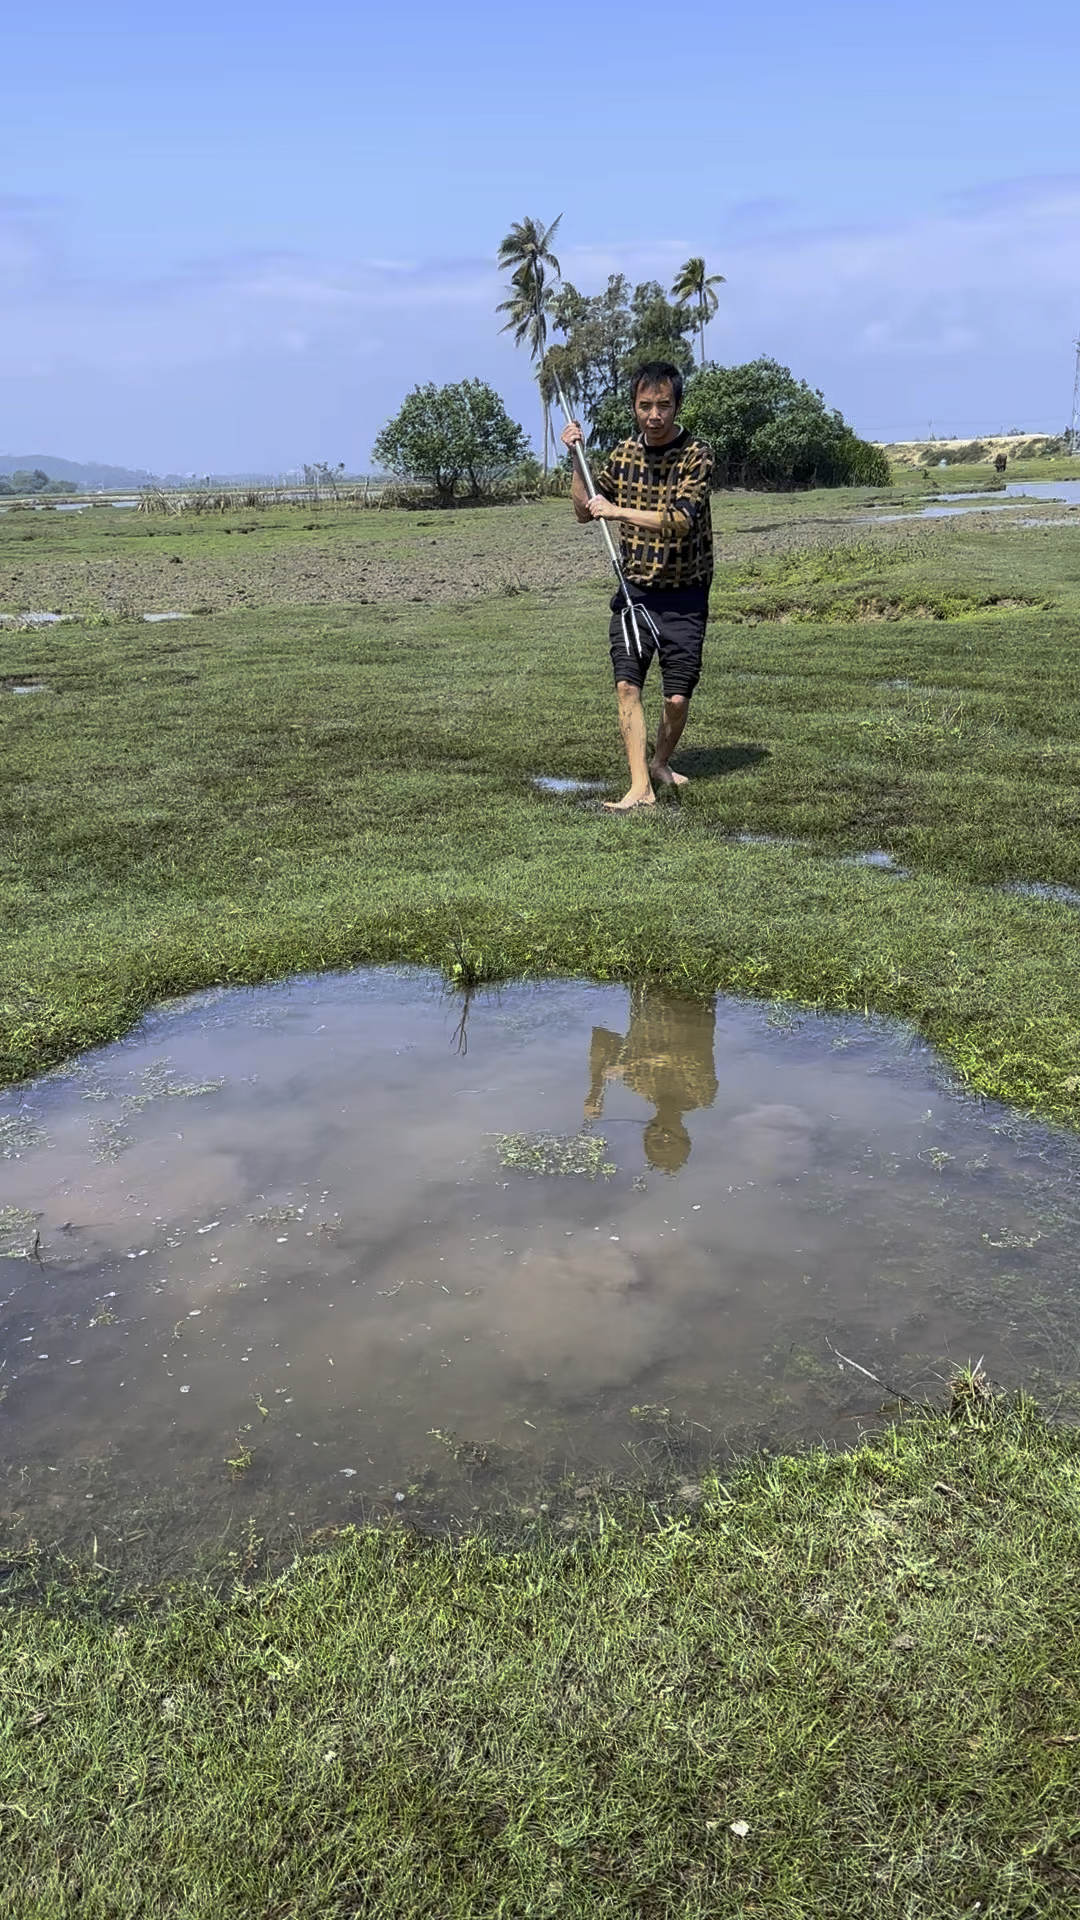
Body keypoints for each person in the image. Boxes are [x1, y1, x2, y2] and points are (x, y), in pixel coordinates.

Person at [562, 360, 714, 811]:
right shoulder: (623, 455)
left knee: (676, 697)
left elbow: (681, 521)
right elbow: (584, 510)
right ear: (634, 406)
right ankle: (639, 787)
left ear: (676, 405)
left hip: (686, 590)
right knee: (627, 686)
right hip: (635, 590)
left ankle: (661, 761)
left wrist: (618, 512)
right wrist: (575, 457)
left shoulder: (697, 454)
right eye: (645, 406)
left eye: (663, 405)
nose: (654, 415)